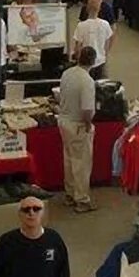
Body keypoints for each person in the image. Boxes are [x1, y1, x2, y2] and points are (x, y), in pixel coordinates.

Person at [58, 45, 98, 213]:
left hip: (64, 121)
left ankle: (69, 194)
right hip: (78, 125)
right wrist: (88, 124)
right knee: (81, 163)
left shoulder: (67, 73)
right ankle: (82, 200)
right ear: (94, 61)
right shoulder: (87, 81)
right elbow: (87, 109)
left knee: (69, 160)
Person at [73, 0, 115, 79]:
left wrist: (77, 57)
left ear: (87, 9)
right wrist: (104, 55)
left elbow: (78, 47)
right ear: (99, 9)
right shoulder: (105, 24)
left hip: (86, 64)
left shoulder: (81, 26)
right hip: (100, 61)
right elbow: (107, 44)